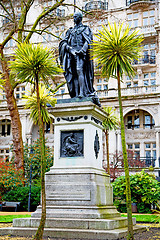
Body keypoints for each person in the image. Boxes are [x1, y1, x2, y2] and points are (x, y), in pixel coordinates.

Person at [59, 12, 101, 106]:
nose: (74, 18)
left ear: (80, 18)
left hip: (82, 54)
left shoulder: (85, 29)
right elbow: (64, 42)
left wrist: (83, 50)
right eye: (73, 17)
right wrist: (69, 49)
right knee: (73, 74)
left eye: (75, 17)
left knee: (79, 70)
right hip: (71, 54)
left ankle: (82, 93)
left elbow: (88, 41)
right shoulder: (70, 31)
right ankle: (76, 94)